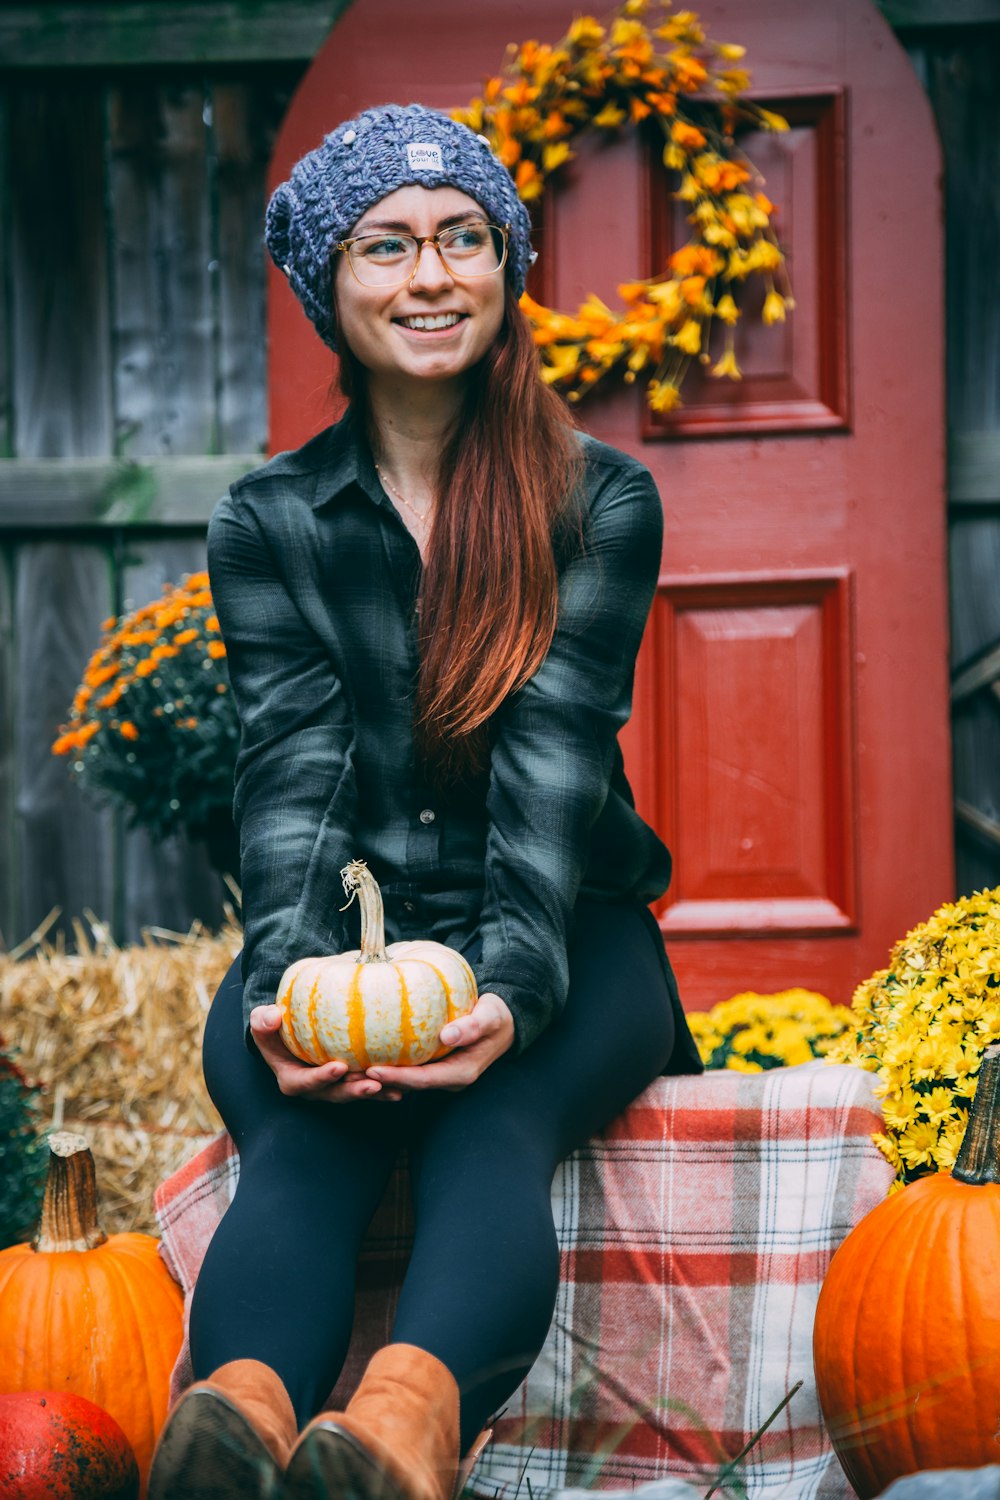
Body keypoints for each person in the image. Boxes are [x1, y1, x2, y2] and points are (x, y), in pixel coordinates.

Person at [148, 102, 703, 1500]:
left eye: (463, 238)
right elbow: (287, 771)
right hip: (347, 939)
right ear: (330, 288)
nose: (431, 274)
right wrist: (285, 988)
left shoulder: (597, 502)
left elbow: (552, 768)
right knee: (303, 1127)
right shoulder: (269, 522)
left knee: (489, 1120)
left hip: (566, 930)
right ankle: (237, 1425)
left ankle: (397, 1435)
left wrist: (507, 992)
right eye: (386, 247)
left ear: (507, 266)